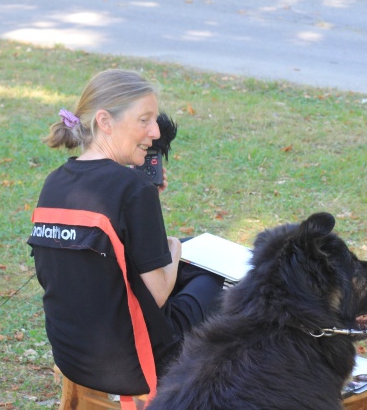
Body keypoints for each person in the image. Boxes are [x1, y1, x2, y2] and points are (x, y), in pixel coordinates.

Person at [28, 69, 224, 400]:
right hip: (132, 362)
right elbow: (159, 294)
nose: (156, 130)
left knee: (187, 256)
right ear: (105, 121)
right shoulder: (133, 189)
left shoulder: (55, 181)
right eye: (144, 120)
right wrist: (172, 248)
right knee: (214, 277)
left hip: (73, 353)